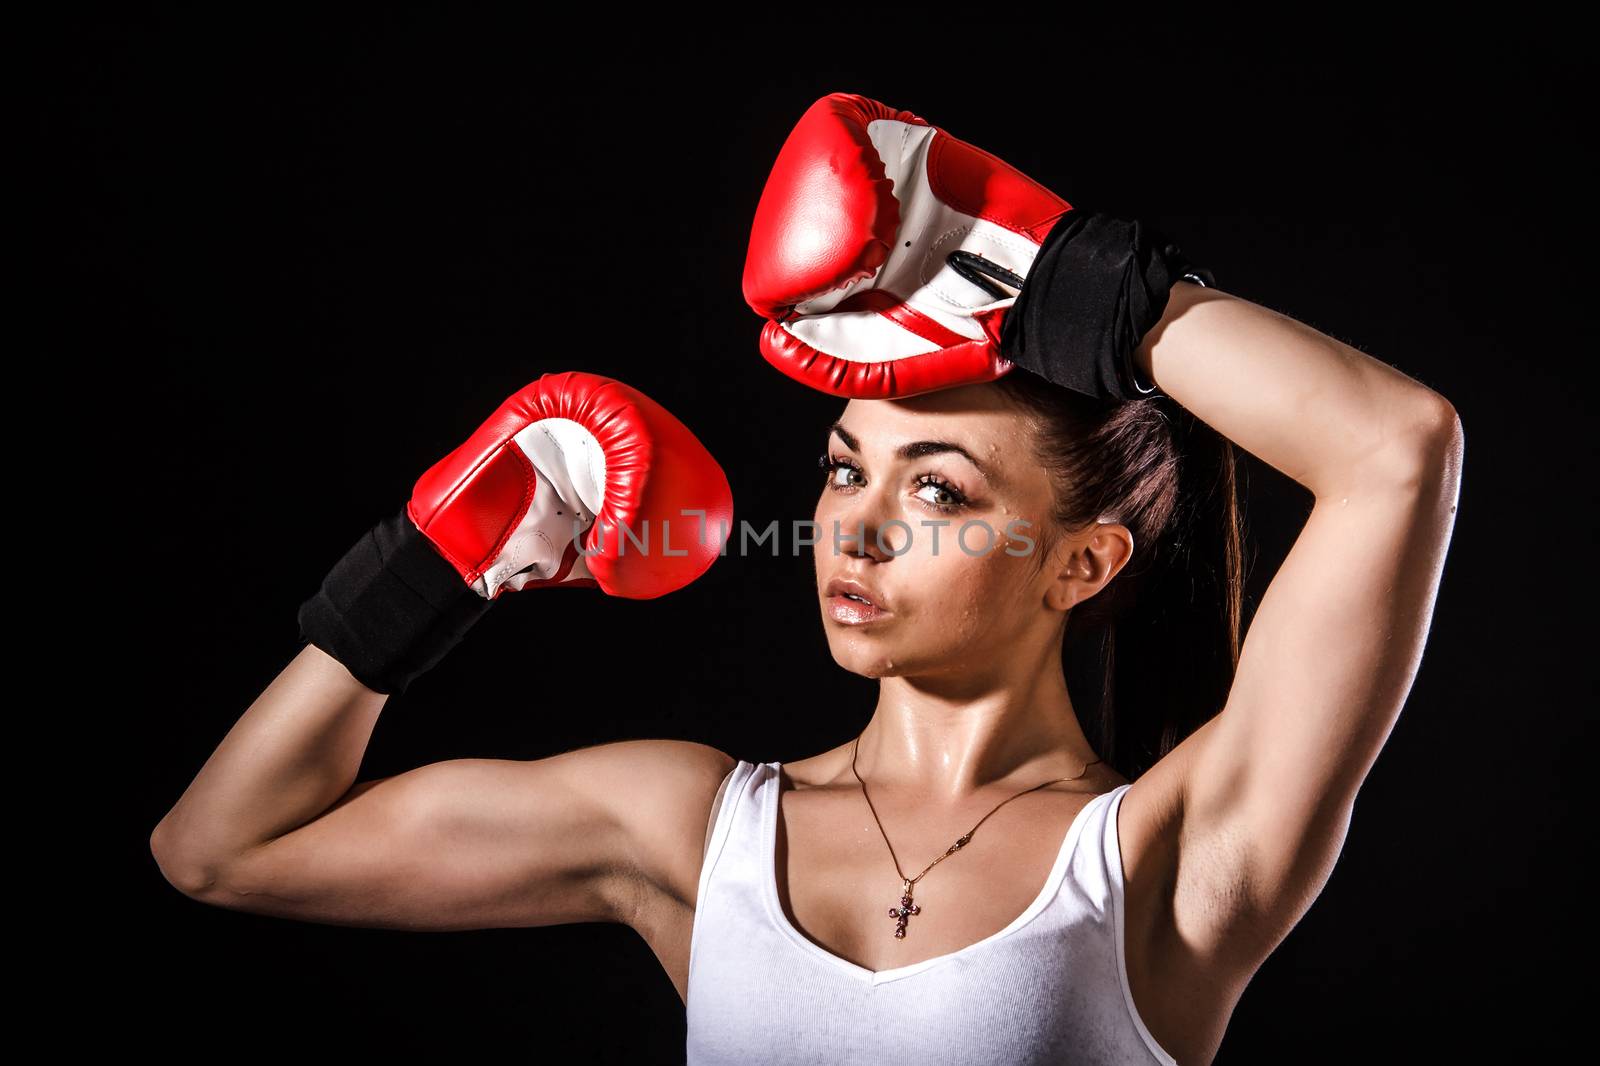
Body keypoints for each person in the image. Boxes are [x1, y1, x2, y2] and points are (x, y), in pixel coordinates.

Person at [151, 95, 1465, 1066]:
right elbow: (220, 847)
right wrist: (436, 565)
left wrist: (1071, 284)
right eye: (846, 469)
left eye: (938, 488)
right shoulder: (687, 827)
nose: (857, 525)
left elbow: (1395, 448)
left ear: (1082, 560)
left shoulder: (1171, 854)